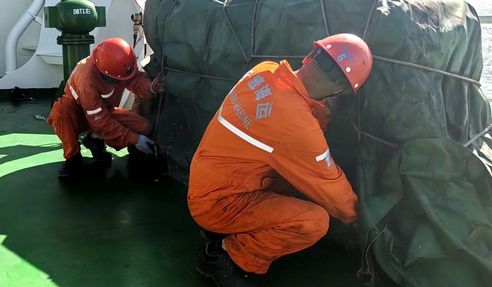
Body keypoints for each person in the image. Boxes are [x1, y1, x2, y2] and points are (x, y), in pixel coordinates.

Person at [187, 33, 373, 287]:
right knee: (314, 221)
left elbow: (285, 120)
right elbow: (329, 185)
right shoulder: (297, 125)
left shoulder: (264, 71)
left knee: (298, 183)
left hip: (212, 181)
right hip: (219, 202)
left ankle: (226, 228)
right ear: (339, 91)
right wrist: (359, 222)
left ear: (309, 57)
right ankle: (226, 257)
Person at [47, 37, 165, 178]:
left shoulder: (118, 65)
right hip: (78, 115)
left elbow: (135, 79)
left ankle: (94, 139)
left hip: (104, 112)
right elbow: (100, 121)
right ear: (105, 74)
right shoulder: (86, 78)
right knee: (61, 111)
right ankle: (73, 158)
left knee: (143, 126)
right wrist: (135, 140)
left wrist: (151, 88)